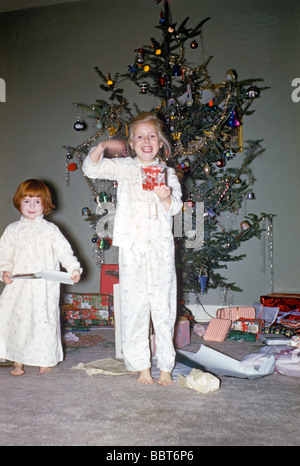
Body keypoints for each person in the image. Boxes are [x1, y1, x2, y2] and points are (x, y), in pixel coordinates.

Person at [82, 112, 182, 385]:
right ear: (132, 143)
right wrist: (102, 147)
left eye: (152, 136)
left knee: (163, 307)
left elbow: (175, 209)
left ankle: (165, 367)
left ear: (161, 143)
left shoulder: (168, 174)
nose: (146, 141)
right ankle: (141, 367)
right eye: (140, 137)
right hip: (133, 248)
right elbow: (91, 169)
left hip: (160, 249)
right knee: (135, 307)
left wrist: (166, 196)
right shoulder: (125, 167)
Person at [0, 179, 82, 375]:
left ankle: (44, 359)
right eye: (26, 201)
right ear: (19, 202)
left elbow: (65, 252)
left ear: (45, 205)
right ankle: (17, 360)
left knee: (43, 320)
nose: (31, 206)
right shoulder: (13, 230)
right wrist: (4, 271)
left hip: (44, 286)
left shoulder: (51, 230)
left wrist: (74, 269)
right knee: (18, 320)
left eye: (37, 201)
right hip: (19, 285)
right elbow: (5, 254)